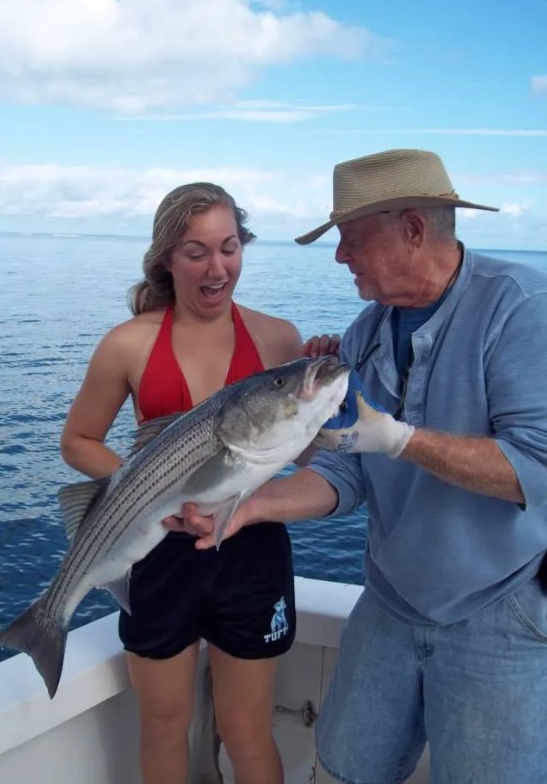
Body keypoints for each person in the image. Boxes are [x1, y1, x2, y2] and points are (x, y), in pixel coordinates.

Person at [169, 150, 547, 784]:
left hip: (499, 610)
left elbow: (536, 467)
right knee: (343, 770)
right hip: (390, 604)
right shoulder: (368, 331)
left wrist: (400, 439)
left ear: (414, 229)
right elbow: (348, 476)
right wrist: (247, 509)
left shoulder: (521, 309)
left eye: (351, 238)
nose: (341, 256)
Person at [60, 181, 337, 784]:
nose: (218, 268)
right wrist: (147, 488)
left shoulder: (277, 339)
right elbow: (77, 440)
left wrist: (331, 404)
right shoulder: (128, 343)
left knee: (246, 728)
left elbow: (309, 455)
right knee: (164, 724)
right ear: (166, 258)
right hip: (157, 552)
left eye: (229, 248)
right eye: (196, 252)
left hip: (252, 549)